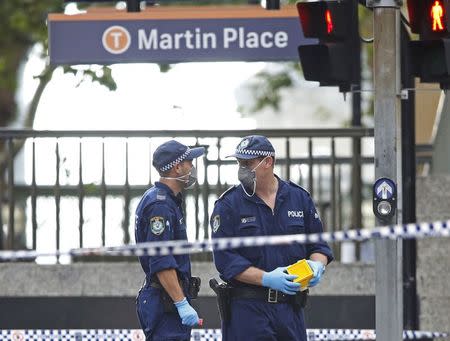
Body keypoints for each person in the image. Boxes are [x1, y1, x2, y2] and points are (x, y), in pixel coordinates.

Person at [210, 135, 333, 341]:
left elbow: (318, 245)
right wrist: (266, 278)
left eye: (248, 163)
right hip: (248, 310)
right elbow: (225, 260)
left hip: (290, 310)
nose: (242, 169)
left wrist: (316, 265)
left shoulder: (298, 197)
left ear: (268, 162)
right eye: (239, 163)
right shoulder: (228, 205)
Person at [135, 140, 204, 341]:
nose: (192, 167)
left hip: (166, 300)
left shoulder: (165, 201)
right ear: (177, 167)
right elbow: (161, 261)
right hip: (165, 302)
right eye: (189, 162)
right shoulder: (160, 206)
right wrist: (181, 303)